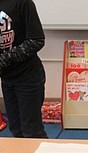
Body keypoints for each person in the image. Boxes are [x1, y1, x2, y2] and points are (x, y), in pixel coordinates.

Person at [0, 0, 47, 138]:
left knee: (32, 132)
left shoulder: (23, 3)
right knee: (16, 130)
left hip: (28, 76)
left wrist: (5, 59)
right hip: (7, 78)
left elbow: (36, 40)